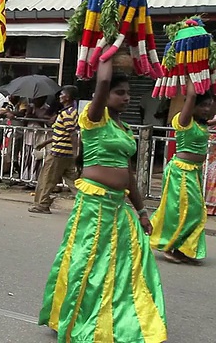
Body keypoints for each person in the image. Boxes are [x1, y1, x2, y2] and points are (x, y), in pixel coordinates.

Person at [38, 58, 167, 342]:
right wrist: (110, 44)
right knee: (89, 262)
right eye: (120, 92)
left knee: (126, 266)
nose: (127, 97)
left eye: (129, 93)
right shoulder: (94, 119)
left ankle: (117, 318)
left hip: (118, 205)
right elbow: (103, 81)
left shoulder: (125, 129)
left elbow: (128, 174)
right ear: (104, 95)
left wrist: (143, 210)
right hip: (94, 206)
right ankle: (77, 316)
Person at [149, 80, 213, 265]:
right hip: (181, 171)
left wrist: (210, 76)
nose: (207, 109)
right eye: (203, 105)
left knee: (194, 211)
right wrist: (195, 71)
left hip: (194, 172)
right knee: (184, 210)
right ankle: (171, 247)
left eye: (208, 105)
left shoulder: (203, 124)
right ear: (192, 106)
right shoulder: (184, 121)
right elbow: (192, 96)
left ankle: (183, 247)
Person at [29, 86, 80, 214]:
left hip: (59, 153)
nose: (59, 96)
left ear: (67, 97)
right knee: (74, 182)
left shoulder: (66, 114)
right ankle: (88, 204)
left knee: (46, 178)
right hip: (66, 152)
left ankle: (42, 204)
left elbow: (72, 134)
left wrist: (76, 153)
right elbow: (61, 133)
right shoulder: (72, 112)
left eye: (62, 94)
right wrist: (44, 143)